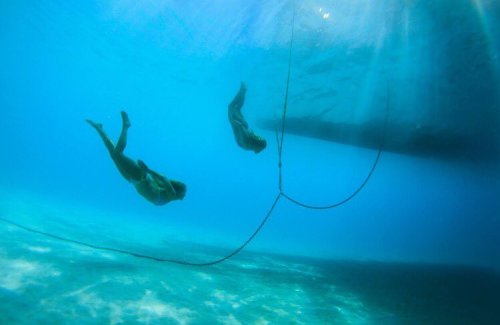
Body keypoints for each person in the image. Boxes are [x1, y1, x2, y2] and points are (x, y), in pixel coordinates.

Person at [86, 111, 186, 205]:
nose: (184, 196)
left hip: (134, 182)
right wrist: (148, 170)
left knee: (113, 154)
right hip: (140, 177)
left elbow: (160, 179)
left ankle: (99, 128)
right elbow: (163, 178)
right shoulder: (172, 195)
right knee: (118, 154)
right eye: (183, 193)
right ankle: (126, 126)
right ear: (177, 190)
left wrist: (148, 171)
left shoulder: (164, 191)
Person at [228, 82, 267, 153]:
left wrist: (238, 122)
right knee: (231, 106)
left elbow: (248, 136)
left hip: (242, 125)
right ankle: (242, 90)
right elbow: (239, 127)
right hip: (239, 124)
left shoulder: (250, 144)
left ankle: (243, 91)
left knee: (237, 108)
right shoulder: (248, 145)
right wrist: (234, 120)